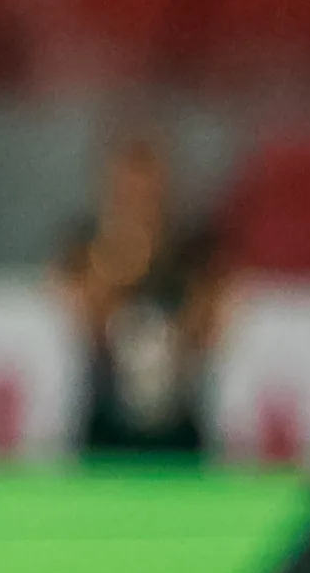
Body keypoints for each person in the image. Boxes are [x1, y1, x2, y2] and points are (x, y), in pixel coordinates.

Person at [55, 132, 227, 459]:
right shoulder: (83, 249)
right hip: (106, 427)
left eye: (147, 189)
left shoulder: (196, 253)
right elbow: (80, 316)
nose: (137, 200)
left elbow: (209, 330)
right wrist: (121, 256)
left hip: (179, 431)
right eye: (127, 190)